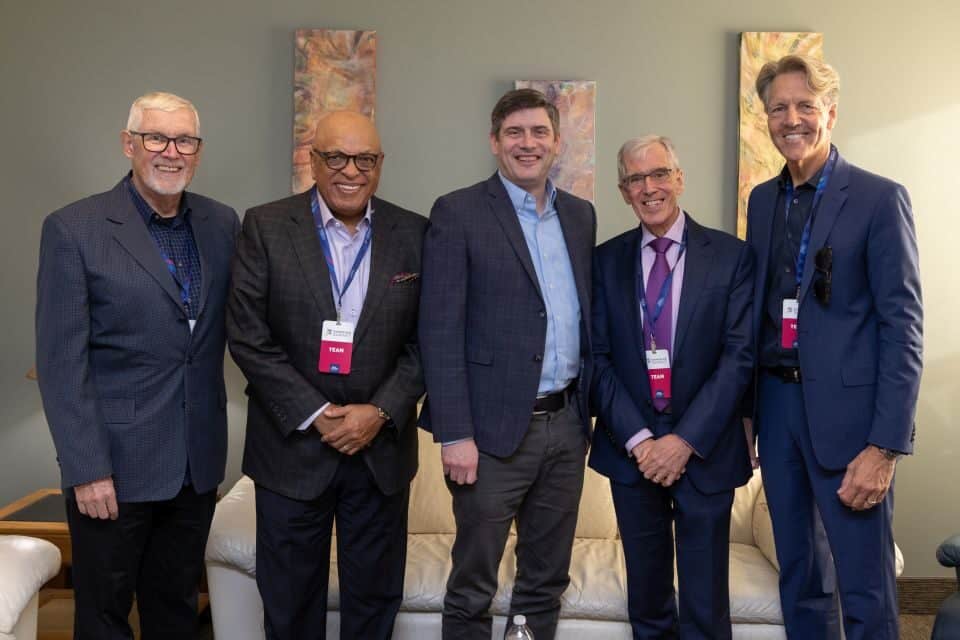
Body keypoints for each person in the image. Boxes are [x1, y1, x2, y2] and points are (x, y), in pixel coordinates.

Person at [35, 91, 239, 639]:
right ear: (129, 144)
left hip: (196, 462)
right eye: (156, 137)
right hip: (114, 469)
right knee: (103, 616)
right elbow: (60, 362)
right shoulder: (75, 230)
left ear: (198, 150)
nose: (171, 152)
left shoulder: (222, 225)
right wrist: (86, 469)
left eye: (185, 140)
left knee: (175, 608)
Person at [227, 111, 426, 640]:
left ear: (380, 165)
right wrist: (319, 415)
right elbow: (248, 334)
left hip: (380, 454)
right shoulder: (265, 226)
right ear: (312, 161)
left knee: (374, 605)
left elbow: (428, 342)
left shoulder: (415, 233)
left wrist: (380, 411)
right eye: (335, 157)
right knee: (290, 608)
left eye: (365, 159)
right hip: (291, 453)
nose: (350, 171)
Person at [744, 54, 922, 640]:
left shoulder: (878, 198)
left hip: (851, 426)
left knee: (865, 588)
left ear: (830, 113)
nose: (791, 119)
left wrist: (886, 445)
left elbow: (903, 328)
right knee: (800, 578)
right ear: (765, 118)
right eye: (778, 108)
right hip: (778, 409)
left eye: (805, 106)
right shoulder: (763, 202)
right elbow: (760, 313)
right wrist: (748, 415)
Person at [419, 88, 597, 640]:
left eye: (539, 132)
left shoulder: (579, 215)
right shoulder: (459, 212)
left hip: (566, 427)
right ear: (494, 142)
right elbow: (439, 329)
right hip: (490, 436)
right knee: (474, 582)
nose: (528, 143)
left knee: (544, 580)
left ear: (556, 143)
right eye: (515, 133)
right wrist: (454, 433)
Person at [589, 135, 754, 639]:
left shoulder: (731, 256)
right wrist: (642, 442)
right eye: (636, 179)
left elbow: (738, 358)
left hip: (704, 451)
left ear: (679, 179)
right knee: (648, 603)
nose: (649, 187)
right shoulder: (603, 261)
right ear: (623, 191)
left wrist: (682, 442)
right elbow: (595, 360)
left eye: (659, 173)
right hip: (631, 453)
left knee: (706, 607)